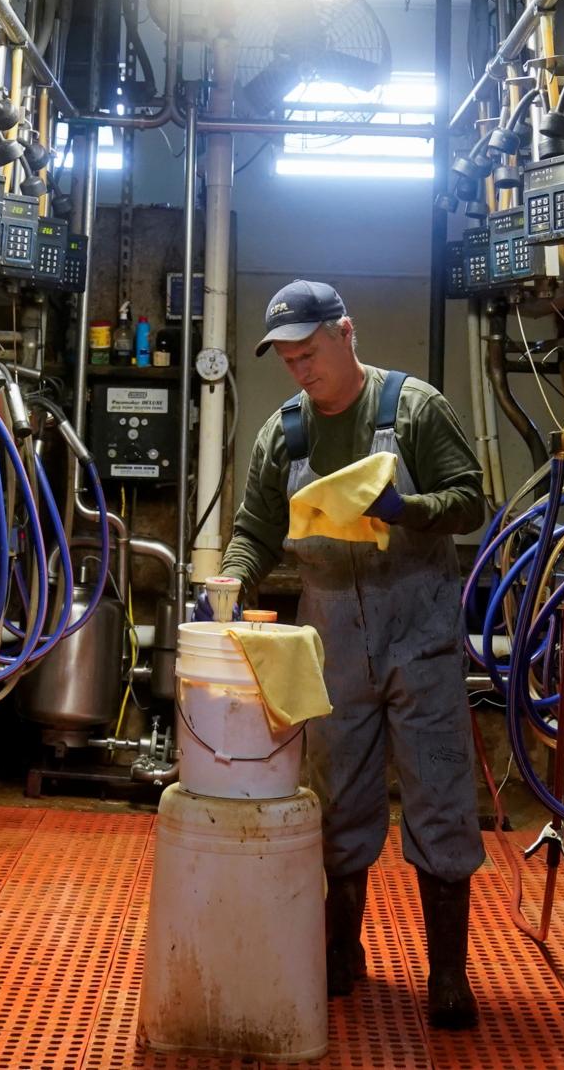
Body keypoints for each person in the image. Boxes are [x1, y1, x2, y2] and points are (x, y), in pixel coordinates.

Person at [217, 279, 486, 1030]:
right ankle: (341, 953)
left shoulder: (416, 409)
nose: (301, 370)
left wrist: (407, 508)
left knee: (439, 793)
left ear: (346, 332)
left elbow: (472, 498)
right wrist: (233, 575)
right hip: (332, 635)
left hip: (421, 630)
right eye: (289, 360)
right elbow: (255, 528)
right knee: (338, 801)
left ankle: (448, 974)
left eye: (310, 352)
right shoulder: (285, 432)